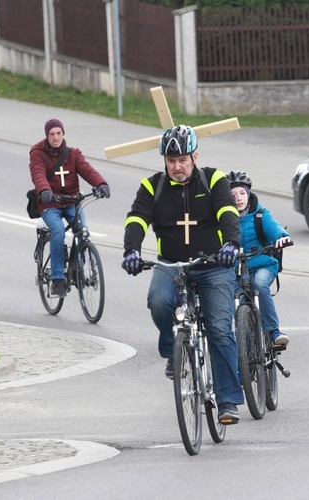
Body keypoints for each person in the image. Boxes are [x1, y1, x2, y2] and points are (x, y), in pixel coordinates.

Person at [121, 124, 244, 424]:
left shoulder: (214, 179)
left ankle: (228, 400)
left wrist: (231, 243)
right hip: (172, 264)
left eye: (183, 160)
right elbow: (137, 218)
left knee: (218, 328)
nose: (177, 166)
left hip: (214, 265)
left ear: (195, 156)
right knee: (159, 301)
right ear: (164, 161)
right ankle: (171, 349)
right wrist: (131, 250)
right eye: (171, 161)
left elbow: (228, 212)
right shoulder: (152, 186)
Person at [29, 118, 111, 297]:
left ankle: (78, 269)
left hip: (71, 201)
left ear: (63, 134)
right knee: (58, 231)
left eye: (59, 133)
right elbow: (38, 173)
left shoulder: (73, 154)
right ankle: (58, 279)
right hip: (50, 203)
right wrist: (44, 190)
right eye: (52, 134)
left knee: (83, 230)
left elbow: (87, 169)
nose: (56, 137)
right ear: (47, 136)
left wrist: (101, 183)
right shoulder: (38, 153)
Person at [227, 170, 291, 346]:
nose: (238, 198)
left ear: (248, 194)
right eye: (233, 195)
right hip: (237, 269)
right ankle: (242, 359)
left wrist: (282, 237)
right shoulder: (224, 218)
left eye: (242, 193)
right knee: (231, 296)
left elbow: (275, 229)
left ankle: (273, 331)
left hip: (262, 263)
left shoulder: (260, 214)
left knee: (259, 284)